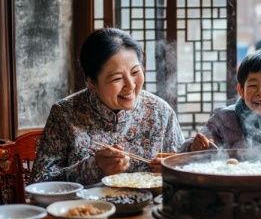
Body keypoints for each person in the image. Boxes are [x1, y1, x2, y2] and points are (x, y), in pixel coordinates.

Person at [30, 28, 185, 185]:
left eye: (135, 72)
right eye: (117, 78)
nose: (130, 85)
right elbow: (38, 182)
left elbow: (185, 172)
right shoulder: (65, 113)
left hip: (149, 208)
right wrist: (94, 167)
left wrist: (173, 171)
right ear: (91, 83)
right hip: (88, 208)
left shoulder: (161, 112)